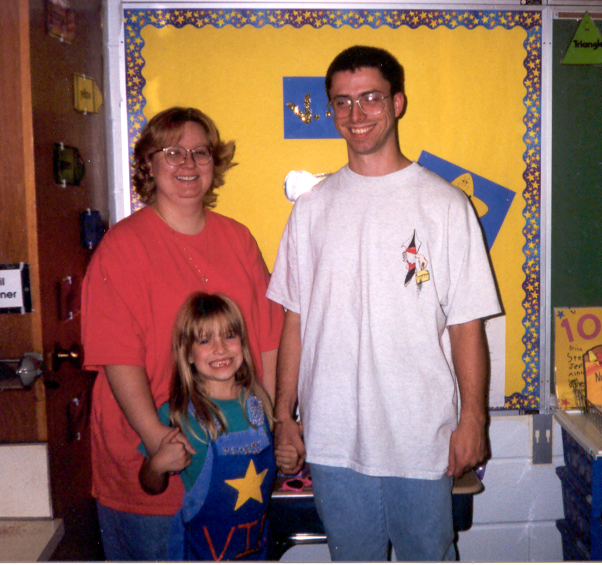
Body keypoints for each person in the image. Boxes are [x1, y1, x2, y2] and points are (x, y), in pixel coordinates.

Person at [267, 45, 502, 561]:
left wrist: (474, 420)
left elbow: (466, 326)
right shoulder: (311, 210)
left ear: (397, 102)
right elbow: (294, 321)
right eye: (343, 101)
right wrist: (284, 415)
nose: (356, 113)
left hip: (419, 434)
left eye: (370, 97)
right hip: (332, 438)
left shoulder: (445, 205)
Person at [81, 107, 284, 560]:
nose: (189, 164)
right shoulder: (122, 247)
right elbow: (117, 357)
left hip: (234, 466)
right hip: (152, 464)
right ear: (148, 165)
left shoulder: (239, 239)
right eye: (173, 153)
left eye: (200, 153)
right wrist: (157, 439)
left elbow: (268, 338)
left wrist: (270, 422)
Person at [139, 292, 276, 560]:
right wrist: (157, 465)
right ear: (188, 354)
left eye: (229, 336)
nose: (220, 348)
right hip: (202, 554)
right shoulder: (176, 414)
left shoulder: (259, 405)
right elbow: (149, 484)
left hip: (257, 551)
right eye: (205, 340)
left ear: (242, 342)